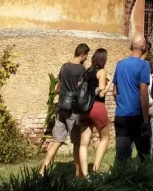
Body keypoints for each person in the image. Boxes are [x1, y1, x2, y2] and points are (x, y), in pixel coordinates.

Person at [41, 43, 90, 176]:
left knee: (56, 140)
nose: (86, 58)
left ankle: (42, 170)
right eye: (86, 56)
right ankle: (78, 174)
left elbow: (58, 88)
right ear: (83, 54)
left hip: (61, 108)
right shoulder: (81, 70)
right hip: (73, 111)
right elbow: (81, 91)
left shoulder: (64, 67)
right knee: (77, 143)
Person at [112, 34, 151, 163]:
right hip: (137, 115)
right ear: (144, 48)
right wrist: (146, 120)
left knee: (122, 155)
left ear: (131, 46)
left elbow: (114, 91)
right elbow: (143, 93)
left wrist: (122, 103)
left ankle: (120, 180)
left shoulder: (120, 64)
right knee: (144, 154)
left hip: (121, 115)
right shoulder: (144, 65)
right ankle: (144, 179)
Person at [78, 48, 112, 176]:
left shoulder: (87, 72)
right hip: (97, 107)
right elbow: (102, 93)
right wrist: (111, 81)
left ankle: (85, 175)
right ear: (104, 59)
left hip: (84, 109)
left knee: (83, 143)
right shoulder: (101, 71)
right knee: (105, 138)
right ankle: (96, 170)